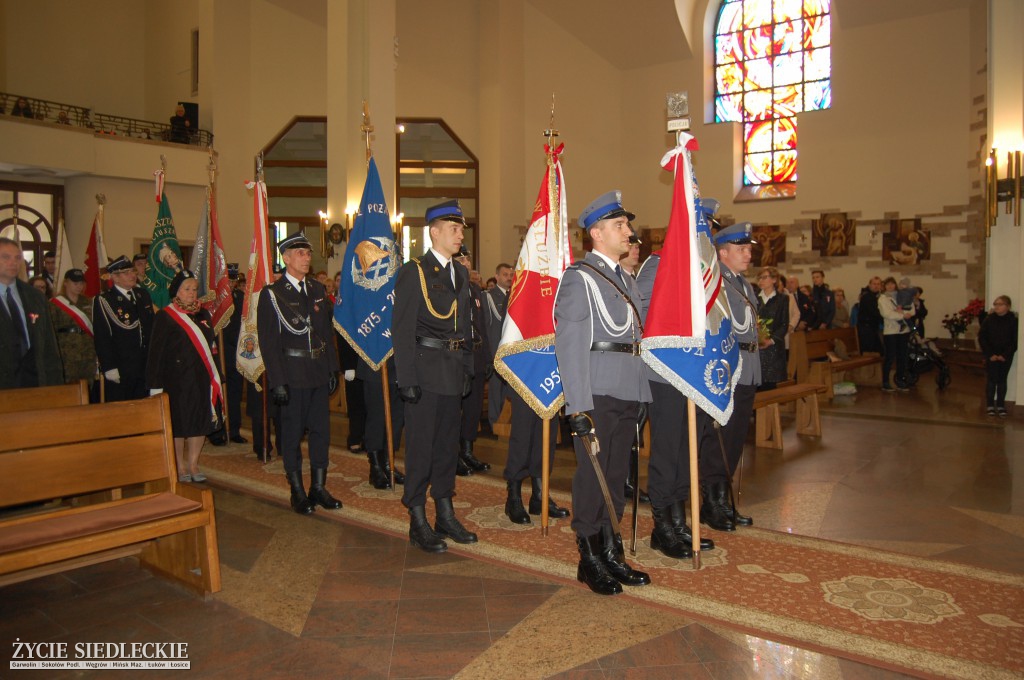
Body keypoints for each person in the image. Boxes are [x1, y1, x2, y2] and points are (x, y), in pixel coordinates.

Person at [555, 190, 651, 596]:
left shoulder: (624, 278)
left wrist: (642, 393)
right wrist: (578, 406)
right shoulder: (579, 279)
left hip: (627, 390)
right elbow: (571, 345)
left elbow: (633, 341)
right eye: (619, 226)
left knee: (616, 477)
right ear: (596, 233)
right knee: (593, 478)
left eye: (626, 225)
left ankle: (612, 550)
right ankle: (588, 555)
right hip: (597, 394)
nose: (628, 231)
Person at [635, 197, 722, 560]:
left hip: (697, 376)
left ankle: (681, 520)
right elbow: (645, 316)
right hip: (667, 375)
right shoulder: (657, 265)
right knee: (668, 452)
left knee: (690, 452)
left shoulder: (704, 268)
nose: (706, 237)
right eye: (702, 229)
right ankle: (662, 527)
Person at [393, 199, 477, 553]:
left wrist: (469, 366)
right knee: (421, 448)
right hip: (425, 372)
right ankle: (416, 514)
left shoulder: (459, 273)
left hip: (453, 370)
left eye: (460, 229)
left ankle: (444, 510)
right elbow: (402, 329)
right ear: (434, 232)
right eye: (454, 229)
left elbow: (466, 326)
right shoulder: (415, 271)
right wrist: (406, 377)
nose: (460, 235)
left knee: (446, 446)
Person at [257, 233, 342, 515]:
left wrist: (332, 369)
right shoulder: (273, 294)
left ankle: (318, 487)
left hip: (317, 371)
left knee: (321, 433)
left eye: (308, 253)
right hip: (292, 375)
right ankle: (297, 490)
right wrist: (278, 381)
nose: (307, 258)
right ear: (286, 258)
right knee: (292, 435)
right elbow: (269, 343)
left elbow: (325, 334)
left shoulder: (317, 290)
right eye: (300, 253)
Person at [701, 222, 762, 532]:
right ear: (722, 253)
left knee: (735, 440)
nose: (748, 253)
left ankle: (724, 500)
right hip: (729, 370)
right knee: (719, 441)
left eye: (748, 248)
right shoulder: (717, 283)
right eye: (741, 249)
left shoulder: (743, 284)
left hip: (748, 367)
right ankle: (711, 503)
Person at [147, 271, 223, 482]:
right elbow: (156, 352)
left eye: (194, 289)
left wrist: (218, 375)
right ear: (176, 292)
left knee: (200, 420)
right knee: (179, 423)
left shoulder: (203, 315)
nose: (191, 293)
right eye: (187, 289)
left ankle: (193, 463)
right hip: (176, 379)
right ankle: (179, 465)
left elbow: (212, 347)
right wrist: (155, 385)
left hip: (201, 378)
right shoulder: (165, 316)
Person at [0, 237, 63, 388]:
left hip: (33, 381)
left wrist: (55, 386)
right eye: (5, 257)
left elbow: (49, 345)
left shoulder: (35, 297)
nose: (13, 262)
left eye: (17, 258)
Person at [92, 255, 155, 401]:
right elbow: (102, 336)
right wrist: (109, 366)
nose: (132, 275)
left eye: (132, 271)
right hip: (122, 367)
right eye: (126, 273)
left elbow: (150, 329)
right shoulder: (105, 300)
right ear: (115, 277)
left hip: (144, 365)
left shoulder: (142, 295)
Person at [455, 245, 491, 475]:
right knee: (455, 409)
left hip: (477, 356)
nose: (466, 263)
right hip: (458, 358)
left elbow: (482, 327)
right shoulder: (447, 289)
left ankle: (467, 450)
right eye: (461, 260)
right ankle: (454, 453)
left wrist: (487, 357)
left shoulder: (475, 291)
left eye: (467, 259)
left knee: (473, 408)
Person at [209, 270, 247, 446]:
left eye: (233, 281)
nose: (231, 285)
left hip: (236, 352)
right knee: (217, 393)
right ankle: (217, 431)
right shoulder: (214, 301)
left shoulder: (240, 297)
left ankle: (234, 430)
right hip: (218, 352)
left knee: (234, 393)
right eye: (228, 281)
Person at [48, 268, 97, 389]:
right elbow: (51, 330)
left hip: (88, 352)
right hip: (67, 354)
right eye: (75, 283)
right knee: (68, 388)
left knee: (87, 387)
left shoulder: (89, 302)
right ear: (65, 283)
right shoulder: (55, 304)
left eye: (81, 283)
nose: (79, 287)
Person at [484, 262, 514, 436]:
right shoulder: (489, 297)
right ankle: (495, 424)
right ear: (496, 277)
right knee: (496, 391)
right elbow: (488, 327)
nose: (509, 278)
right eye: (505, 275)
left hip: (511, 351)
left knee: (508, 391)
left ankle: (507, 423)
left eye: (511, 275)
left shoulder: (515, 296)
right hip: (496, 349)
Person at [978, 295, 1017, 417]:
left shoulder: (1013, 320)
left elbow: (1015, 340)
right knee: (991, 380)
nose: (997, 307)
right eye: (995, 304)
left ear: (1008, 306)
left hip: (1006, 356)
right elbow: (982, 337)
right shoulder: (989, 319)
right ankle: (990, 405)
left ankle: (1001, 405)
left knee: (1002, 380)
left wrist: (1005, 355)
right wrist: (990, 354)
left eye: (1000, 304)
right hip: (991, 355)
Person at [878, 276, 914, 392]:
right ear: (884, 286)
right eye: (887, 284)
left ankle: (900, 380)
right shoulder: (883, 299)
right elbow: (887, 314)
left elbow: (911, 309)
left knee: (902, 356)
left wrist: (904, 312)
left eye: (892, 284)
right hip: (891, 331)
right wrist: (902, 315)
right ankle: (885, 382)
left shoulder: (902, 295)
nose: (890, 286)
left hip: (903, 330)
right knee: (890, 357)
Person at [756, 266, 789, 390]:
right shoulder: (754, 298)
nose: (761, 281)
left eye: (764, 277)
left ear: (774, 280)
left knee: (769, 386)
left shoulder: (782, 299)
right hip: (756, 347)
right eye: (759, 278)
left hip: (773, 349)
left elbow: (784, 324)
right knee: (755, 386)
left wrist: (770, 340)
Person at [857, 277, 884, 354]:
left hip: (873, 328)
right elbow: (875, 313)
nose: (876, 286)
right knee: (870, 351)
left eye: (878, 284)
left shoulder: (878, 296)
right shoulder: (867, 297)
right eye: (874, 284)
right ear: (870, 285)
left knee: (879, 351)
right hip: (866, 329)